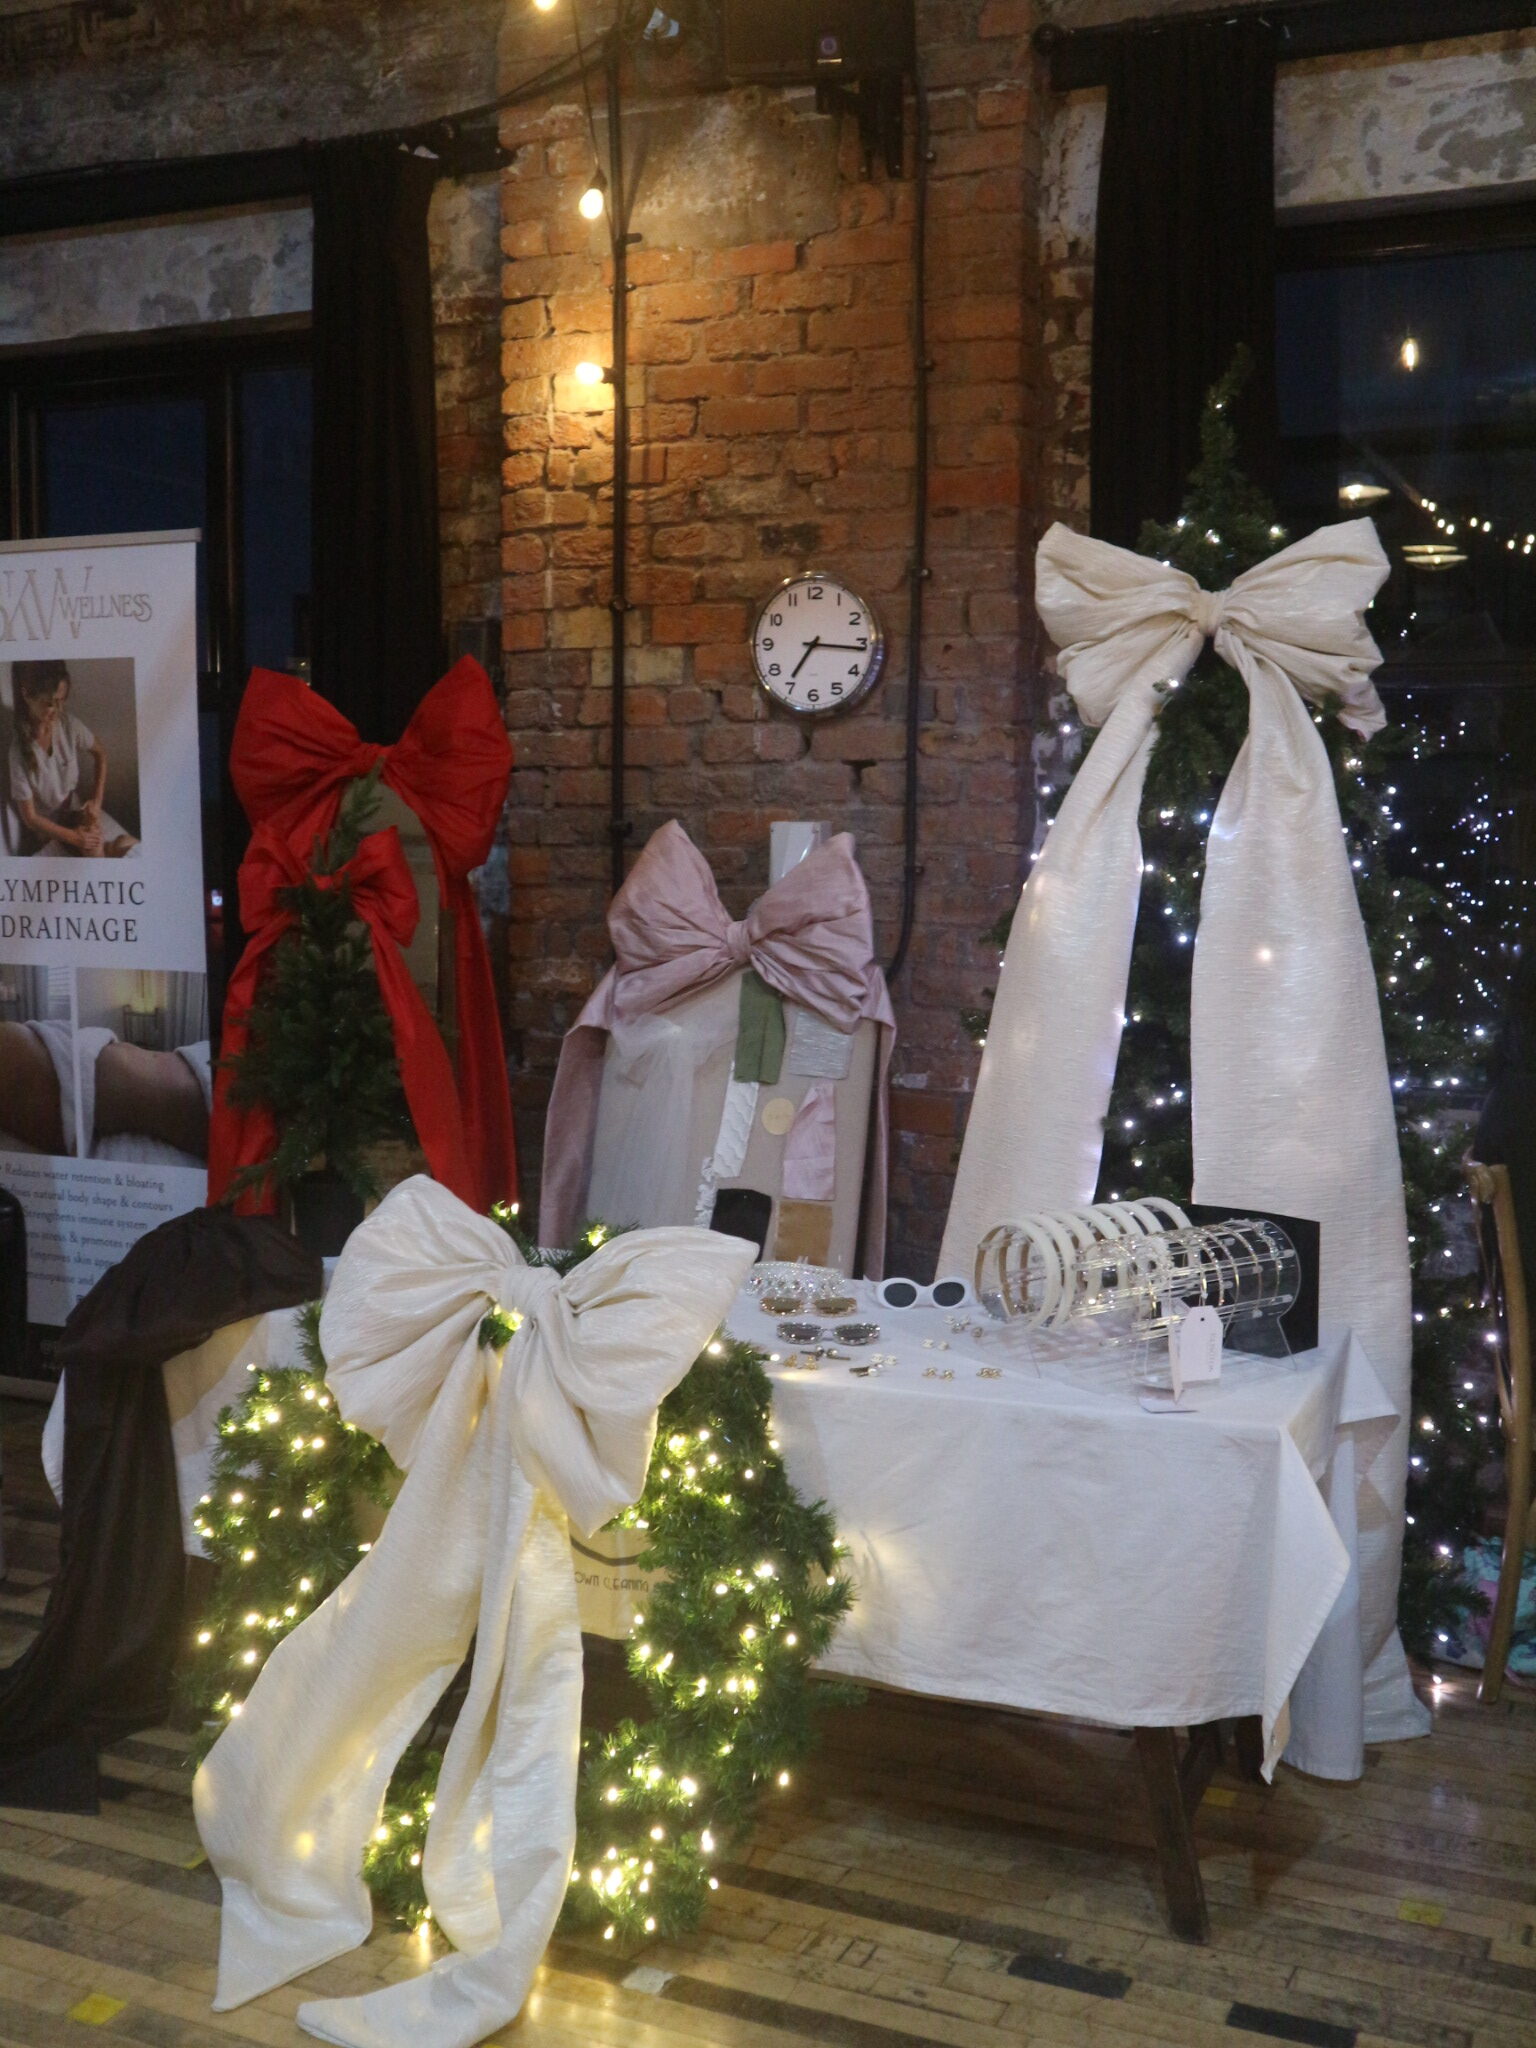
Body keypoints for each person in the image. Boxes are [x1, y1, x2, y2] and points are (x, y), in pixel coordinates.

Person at [8, 659, 137, 858]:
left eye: (62, 700)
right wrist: (73, 838)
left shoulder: (68, 725)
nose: (58, 710)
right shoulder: (18, 754)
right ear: (26, 695)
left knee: (122, 843)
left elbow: (100, 754)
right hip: (47, 827)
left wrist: (96, 802)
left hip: (73, 810)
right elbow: (31, 818)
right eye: (50, 703)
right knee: (93, 851)